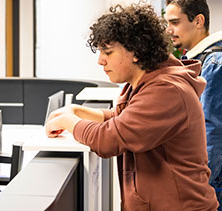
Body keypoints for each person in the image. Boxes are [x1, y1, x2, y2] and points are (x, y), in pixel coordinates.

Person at [45, 3, 218, 210]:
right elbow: (125, 120)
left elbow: (109, 139)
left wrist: (68, 121)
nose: (100, 61)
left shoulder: (166, 90)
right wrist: (78, 111)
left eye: (107, 52)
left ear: (136, 51)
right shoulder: (145, 83)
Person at [165, 0, 222, 207]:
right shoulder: (199, 59)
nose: (169, 30)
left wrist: (199, 184)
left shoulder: (214, 63)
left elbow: (212, 131)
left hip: (213, 185)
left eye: (175, 22)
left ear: (198, 21)